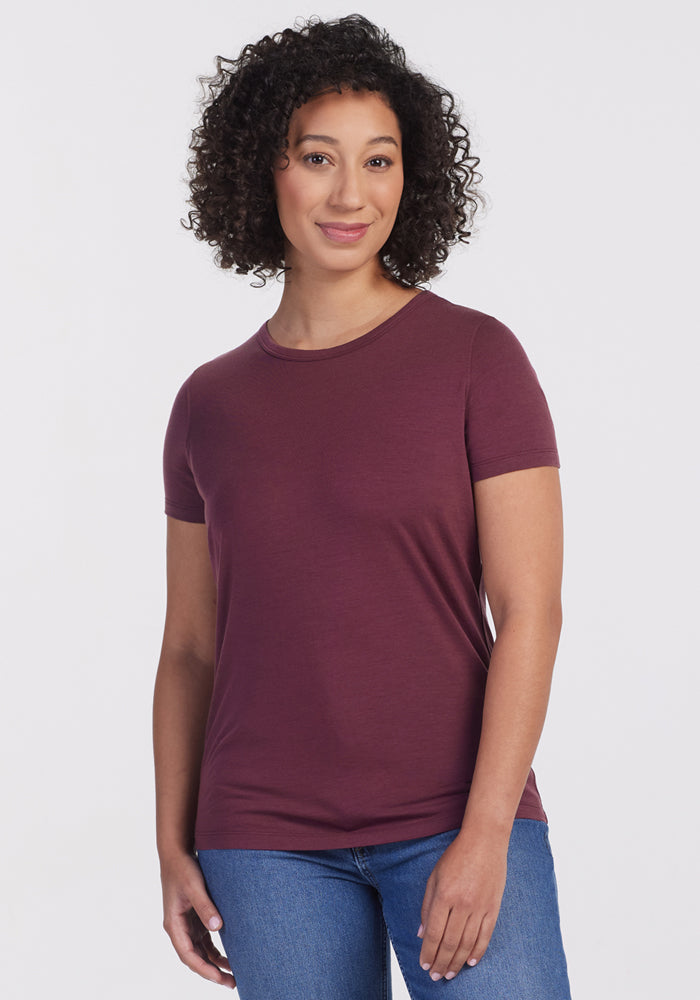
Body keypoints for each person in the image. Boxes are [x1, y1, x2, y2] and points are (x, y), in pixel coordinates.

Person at [153, 13, 572, 999]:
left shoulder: (475, 359)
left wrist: (485, 834)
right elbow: (190, 651)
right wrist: (172, 845)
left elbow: (530, 610)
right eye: (318, 158)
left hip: (454, 815)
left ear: (408, 178)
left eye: (378, 160)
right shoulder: (209, 403)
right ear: (263, 171)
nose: (352, 194)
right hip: (263, 843)